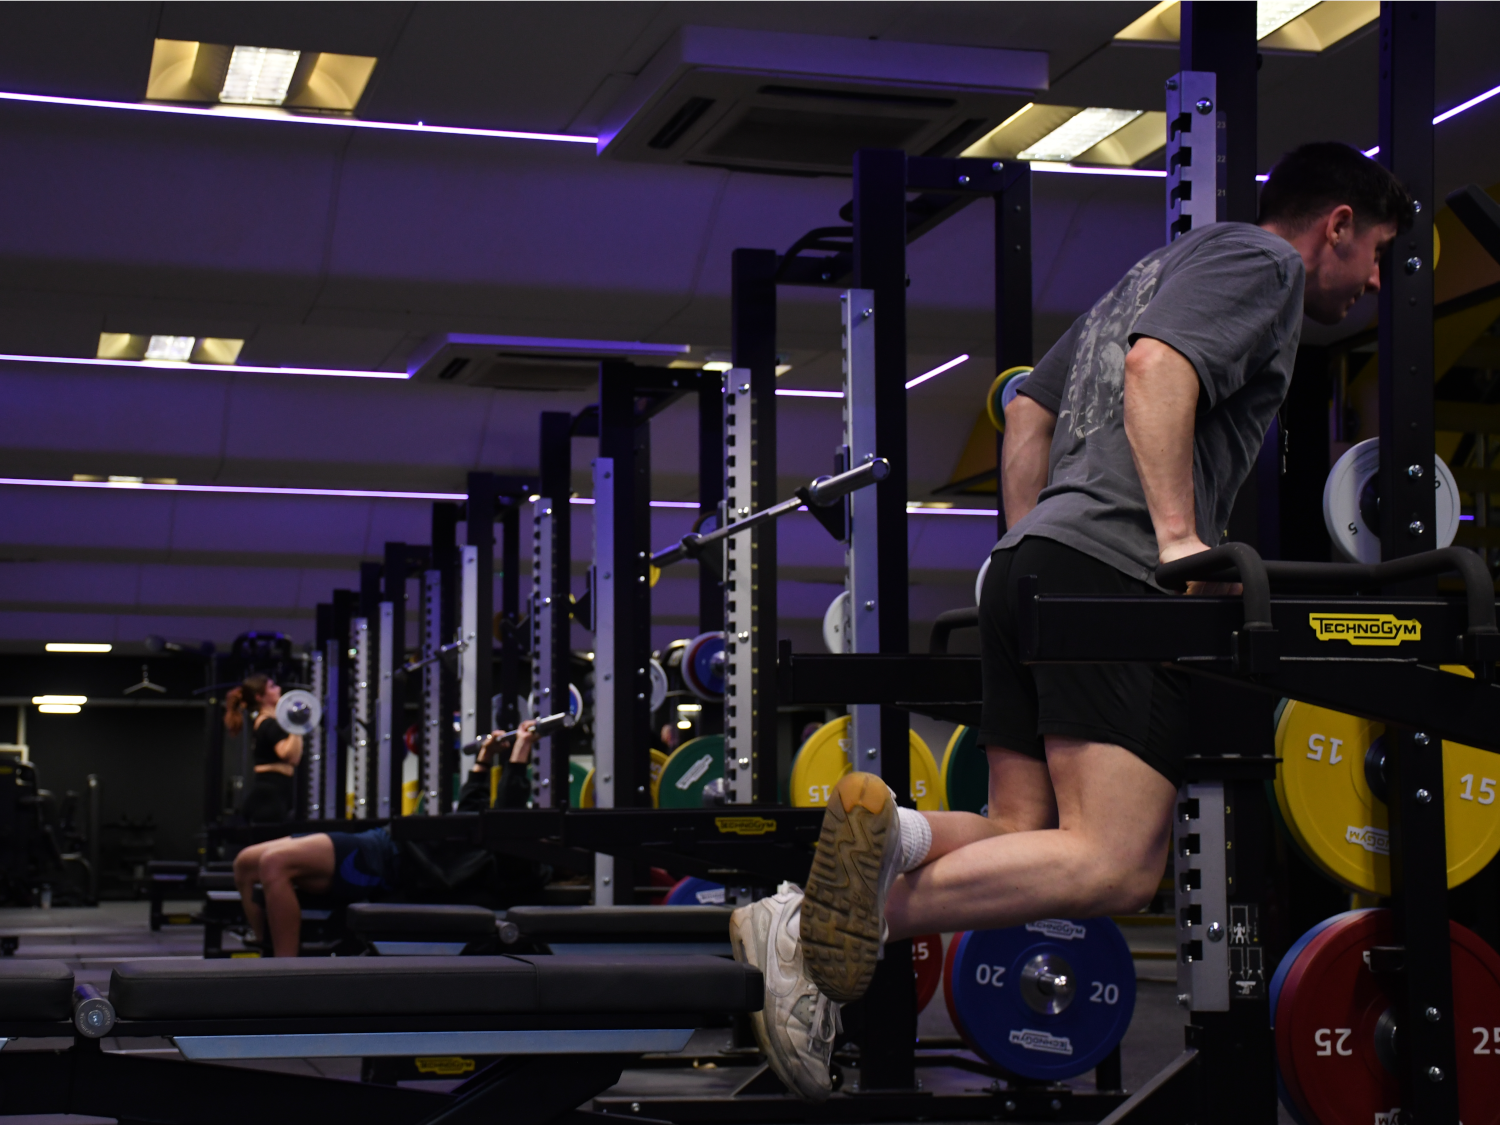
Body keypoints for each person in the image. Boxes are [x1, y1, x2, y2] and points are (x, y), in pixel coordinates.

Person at [729, 142, 1414, 1101]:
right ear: (1336, 225)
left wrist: (1033, 548)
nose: (1378, 277)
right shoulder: (1263, 265)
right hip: (1108, 571)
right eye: (1377, 249)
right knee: (1115, 864)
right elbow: (1156, 366)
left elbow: (1026, 414)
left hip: (1030, 567)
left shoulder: (1149, 272)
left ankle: (899, 838)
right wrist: (1177, 540)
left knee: (1023, 823)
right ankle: (807, 928)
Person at [232, 720, 539, 956]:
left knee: (274, 863)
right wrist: (484, 759)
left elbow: (507, 819)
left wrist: (520, 753)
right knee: (245, 863)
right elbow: (472, 810)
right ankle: (264, 946)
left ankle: (285, 973)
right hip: (384, 841)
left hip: (387, 862)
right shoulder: (497, 842)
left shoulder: (521, 866)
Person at [224, 674, 302, 824]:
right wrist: (297, 724)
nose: (279, 688)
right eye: (272, 687)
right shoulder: (268, 724)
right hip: (269, 794)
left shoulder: (266, 723)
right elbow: (290, 755)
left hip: (275, 789)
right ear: (259, 697)